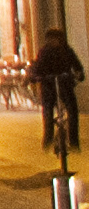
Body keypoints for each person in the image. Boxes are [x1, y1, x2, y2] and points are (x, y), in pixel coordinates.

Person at [36, 29, 84, 166]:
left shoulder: (67, 51)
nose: (54, 41)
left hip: (65, 86)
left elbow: (77, 66)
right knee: (48, 111)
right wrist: (36, 76)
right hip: (49, 87)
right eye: (51, 39)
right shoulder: (44, 52)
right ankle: (48, 137)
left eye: (56, 39)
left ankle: (73, 141)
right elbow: (37, 68)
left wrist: (79, 74)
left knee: (72, 110)